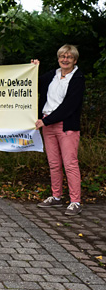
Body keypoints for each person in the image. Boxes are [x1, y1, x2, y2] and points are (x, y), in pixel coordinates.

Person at [34, 45, 86, 216]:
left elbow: (69, 106)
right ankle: (56, 196)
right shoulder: (52, 75)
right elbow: (32, 84)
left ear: (75, 60)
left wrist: (46, 120)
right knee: (54, 163)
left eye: (69, 57)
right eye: (62, 56)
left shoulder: (78, 78)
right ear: (58, 58)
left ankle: (75, 201)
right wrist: (33, 69)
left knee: (70, 163)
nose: (65, 59)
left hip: (66, 125)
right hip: (47, 125)